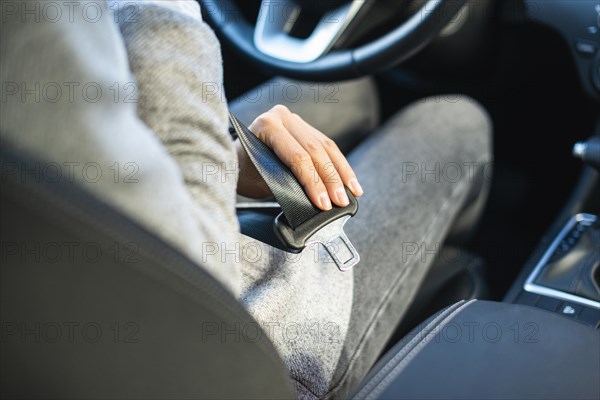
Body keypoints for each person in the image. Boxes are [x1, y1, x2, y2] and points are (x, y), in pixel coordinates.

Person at [0, 1, 492, 398]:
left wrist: (225, 167)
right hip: (250, 352)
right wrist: (163, 9)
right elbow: (192, 281)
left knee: (341, 88)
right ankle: (435, 278)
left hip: (116, 247)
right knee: (455, 121)